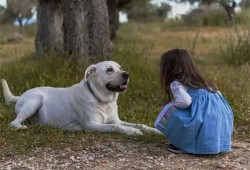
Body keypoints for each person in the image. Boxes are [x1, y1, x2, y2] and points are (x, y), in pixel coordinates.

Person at [154, 49, 234, 154]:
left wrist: (173, 104)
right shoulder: (204, 82)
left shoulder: (177, 84)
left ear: (169, 69)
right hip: (222, 117)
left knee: (169, 110)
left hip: (204, 118)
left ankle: (181, 143)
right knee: (204, 117)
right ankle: (218, 143)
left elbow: (185, 102)